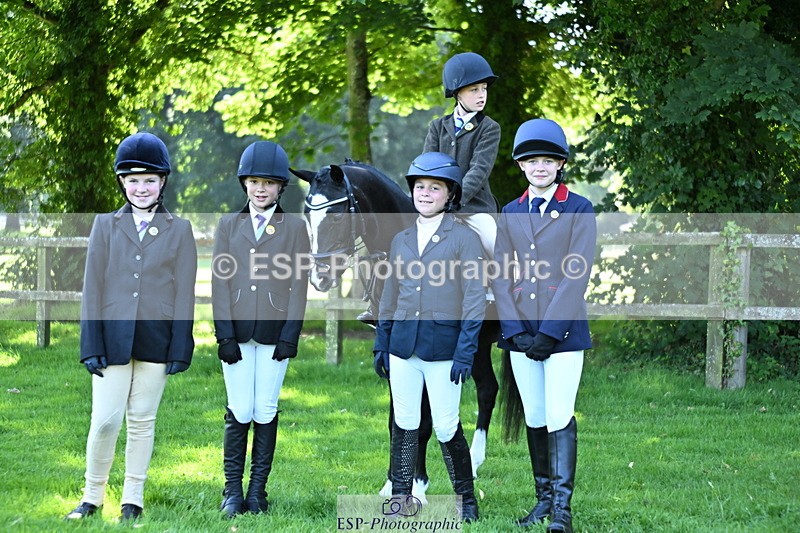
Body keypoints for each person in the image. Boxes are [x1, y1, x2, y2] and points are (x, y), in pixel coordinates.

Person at [66, 132, 197, 521]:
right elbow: (93, 288)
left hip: (158, 339)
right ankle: (92, 497)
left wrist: (181, 346)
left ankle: (132, 499)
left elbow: (185, 293)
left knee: (142, 420)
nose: (142, 188)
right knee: (105, 421)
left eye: (150, 180)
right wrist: (91, 344)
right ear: (122, 182)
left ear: (162, 182)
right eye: (134, 180)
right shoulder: (105, 225)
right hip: (112, 339)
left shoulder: (180, 229)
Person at [492, 119, 596, 533]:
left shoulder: (579, 208)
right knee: (534, 414)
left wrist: (550, 332)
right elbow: (501, 274)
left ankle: (563, 511)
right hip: (521, 332)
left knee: (559, 414)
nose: (540, 167)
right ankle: (543, 500)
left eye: (548, 161)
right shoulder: (511, 212)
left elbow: (577, 274)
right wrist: (515, 331)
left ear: (560, 164)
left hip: (563, 332)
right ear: (521, 165)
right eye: (532, 161)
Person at [373, 152, 485, 522]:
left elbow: (473, 300)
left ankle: (466, 499)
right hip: (403, 346)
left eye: (434, 188)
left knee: (446, 425)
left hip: (444, 350)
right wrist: (382, 343)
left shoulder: (464, 239)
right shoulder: (401, 240)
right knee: (404, 423)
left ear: (449, 194)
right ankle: (401, 499)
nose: (425, 193)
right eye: (420, 186)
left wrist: (466, 351)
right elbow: (389, 295)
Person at [211, 140, 310, 518]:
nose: (261, 189)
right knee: (239, 408)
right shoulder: (228, 225)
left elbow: (299, 285)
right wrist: (224, 335)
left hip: (274, 333)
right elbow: (219, 284)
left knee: (265, 409)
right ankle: (231, 491)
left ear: (281, 187)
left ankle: (257, 491)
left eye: (269, 183)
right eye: (254, 182)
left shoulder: (295, 227)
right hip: (236, 332)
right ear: (245, 183)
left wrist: (290, 335)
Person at [423, 51, 501, 260]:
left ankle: (508, 279)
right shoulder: (437, 126)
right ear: (457, 93)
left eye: (484, 88)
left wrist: (455, 198)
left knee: (495, 243)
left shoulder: (489, 128)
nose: (482, 95)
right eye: (474, 90)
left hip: (474, 208)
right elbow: (427, 167)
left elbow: (479, 169)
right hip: (436, 206)